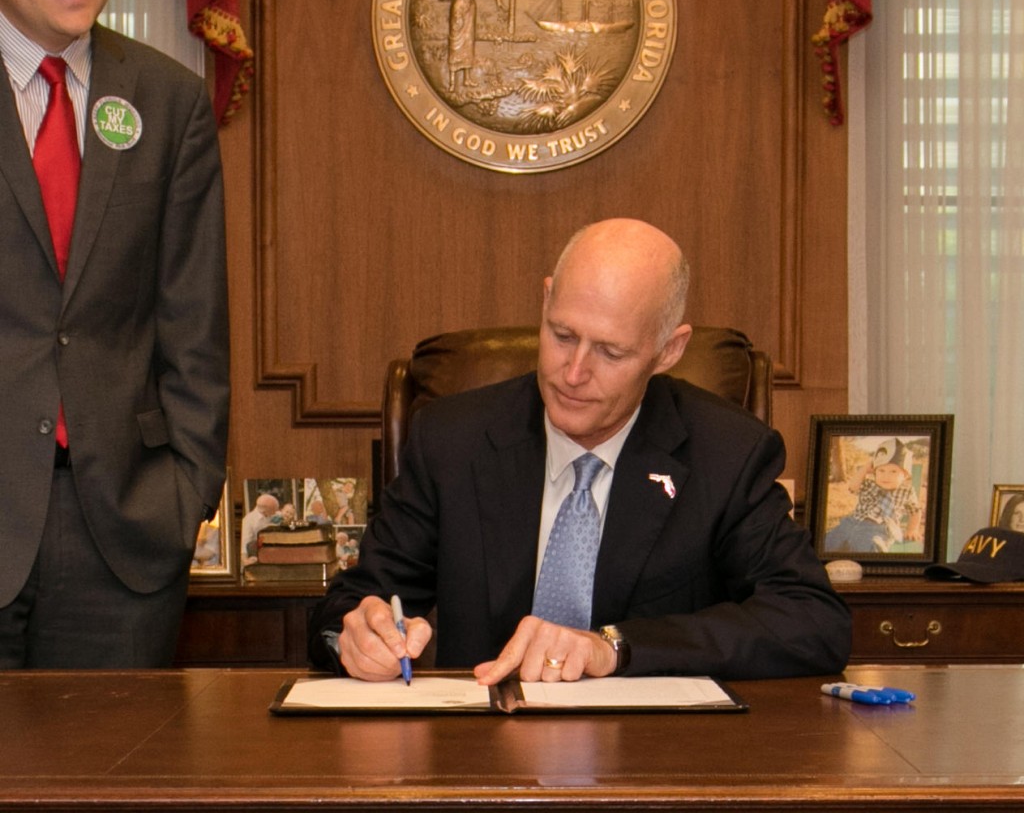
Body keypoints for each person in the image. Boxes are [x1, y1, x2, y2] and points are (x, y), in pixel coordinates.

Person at [308, 218, 851, 683]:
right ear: (545, 300)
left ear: (669, 350)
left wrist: (613, 648)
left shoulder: (727, 453)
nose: (572, 374)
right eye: (562, 334)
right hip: (479, 770)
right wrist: (355, 637)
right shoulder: (452, 438)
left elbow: (811, 621)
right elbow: (351, 604)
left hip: (652, 774)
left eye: (611, 352)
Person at [0, 0, 229, 668]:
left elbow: (194, 323)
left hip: (124, 536)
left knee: (114, 788)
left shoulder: (167, 102)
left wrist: (184, 498)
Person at [824, 439, 922, 553]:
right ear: (875, 472)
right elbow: (853, 487)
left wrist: (912, 529)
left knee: (872, 548)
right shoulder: (869, 484)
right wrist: (865, 469)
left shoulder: (907, 491)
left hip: (878, 529)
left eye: (893, 471)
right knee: (828, 542)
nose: (886, 476)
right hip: (850, 522)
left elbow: (915, 511)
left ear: (905, 475)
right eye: (881, 470)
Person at [437, 0, 503, 94]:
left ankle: (467, 78)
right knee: (455, 42)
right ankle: (452, 82)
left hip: (470, 8)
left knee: (468, 41)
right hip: (458, 9)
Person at [241, 494, 280, 562]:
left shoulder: (276, 515)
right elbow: (245, 544)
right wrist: (245, 560)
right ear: (264, 511)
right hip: (260, 554)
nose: (275, 512)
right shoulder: (249, 520)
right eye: (273, 510)